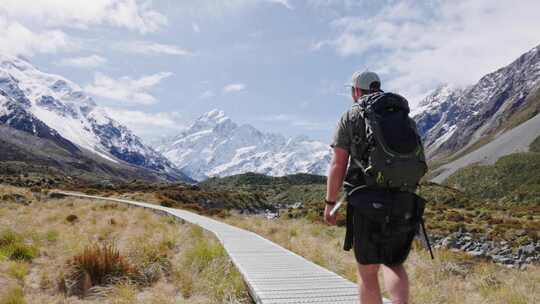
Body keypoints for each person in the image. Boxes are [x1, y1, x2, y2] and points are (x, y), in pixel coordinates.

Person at [325, 71, 426, 304]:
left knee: (368, 271)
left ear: (356, 91)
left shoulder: (351, 116)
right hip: (404, 199)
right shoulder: (403, 117)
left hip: (366, 200)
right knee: (394, 263)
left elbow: (338, 164)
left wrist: (331, 204)